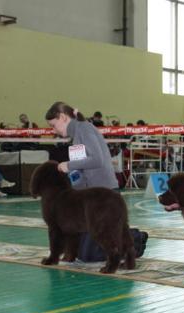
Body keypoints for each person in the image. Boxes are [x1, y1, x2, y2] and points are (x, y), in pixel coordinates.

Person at [45, 102, 148, 260]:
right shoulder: (77, 134)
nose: (54, 130)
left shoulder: (84, 129)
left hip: (103, 195)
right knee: (81, 253)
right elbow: (80, 171)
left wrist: (68, 165)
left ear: (63, 117)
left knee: (89, 255)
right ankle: (122, 235)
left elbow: (97, 159)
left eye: (53, 125)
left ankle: (134, 238)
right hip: (89, 198)